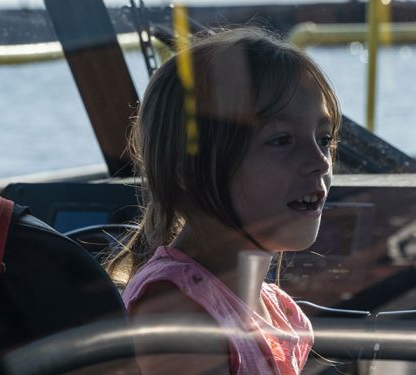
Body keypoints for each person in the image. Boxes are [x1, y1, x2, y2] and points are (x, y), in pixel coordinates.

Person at [106, 27, 341, 374]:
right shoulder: (175, 312)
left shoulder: (279, 311)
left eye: (323, 139)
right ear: (187, 168)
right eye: (281, 140)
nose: (320, 161)